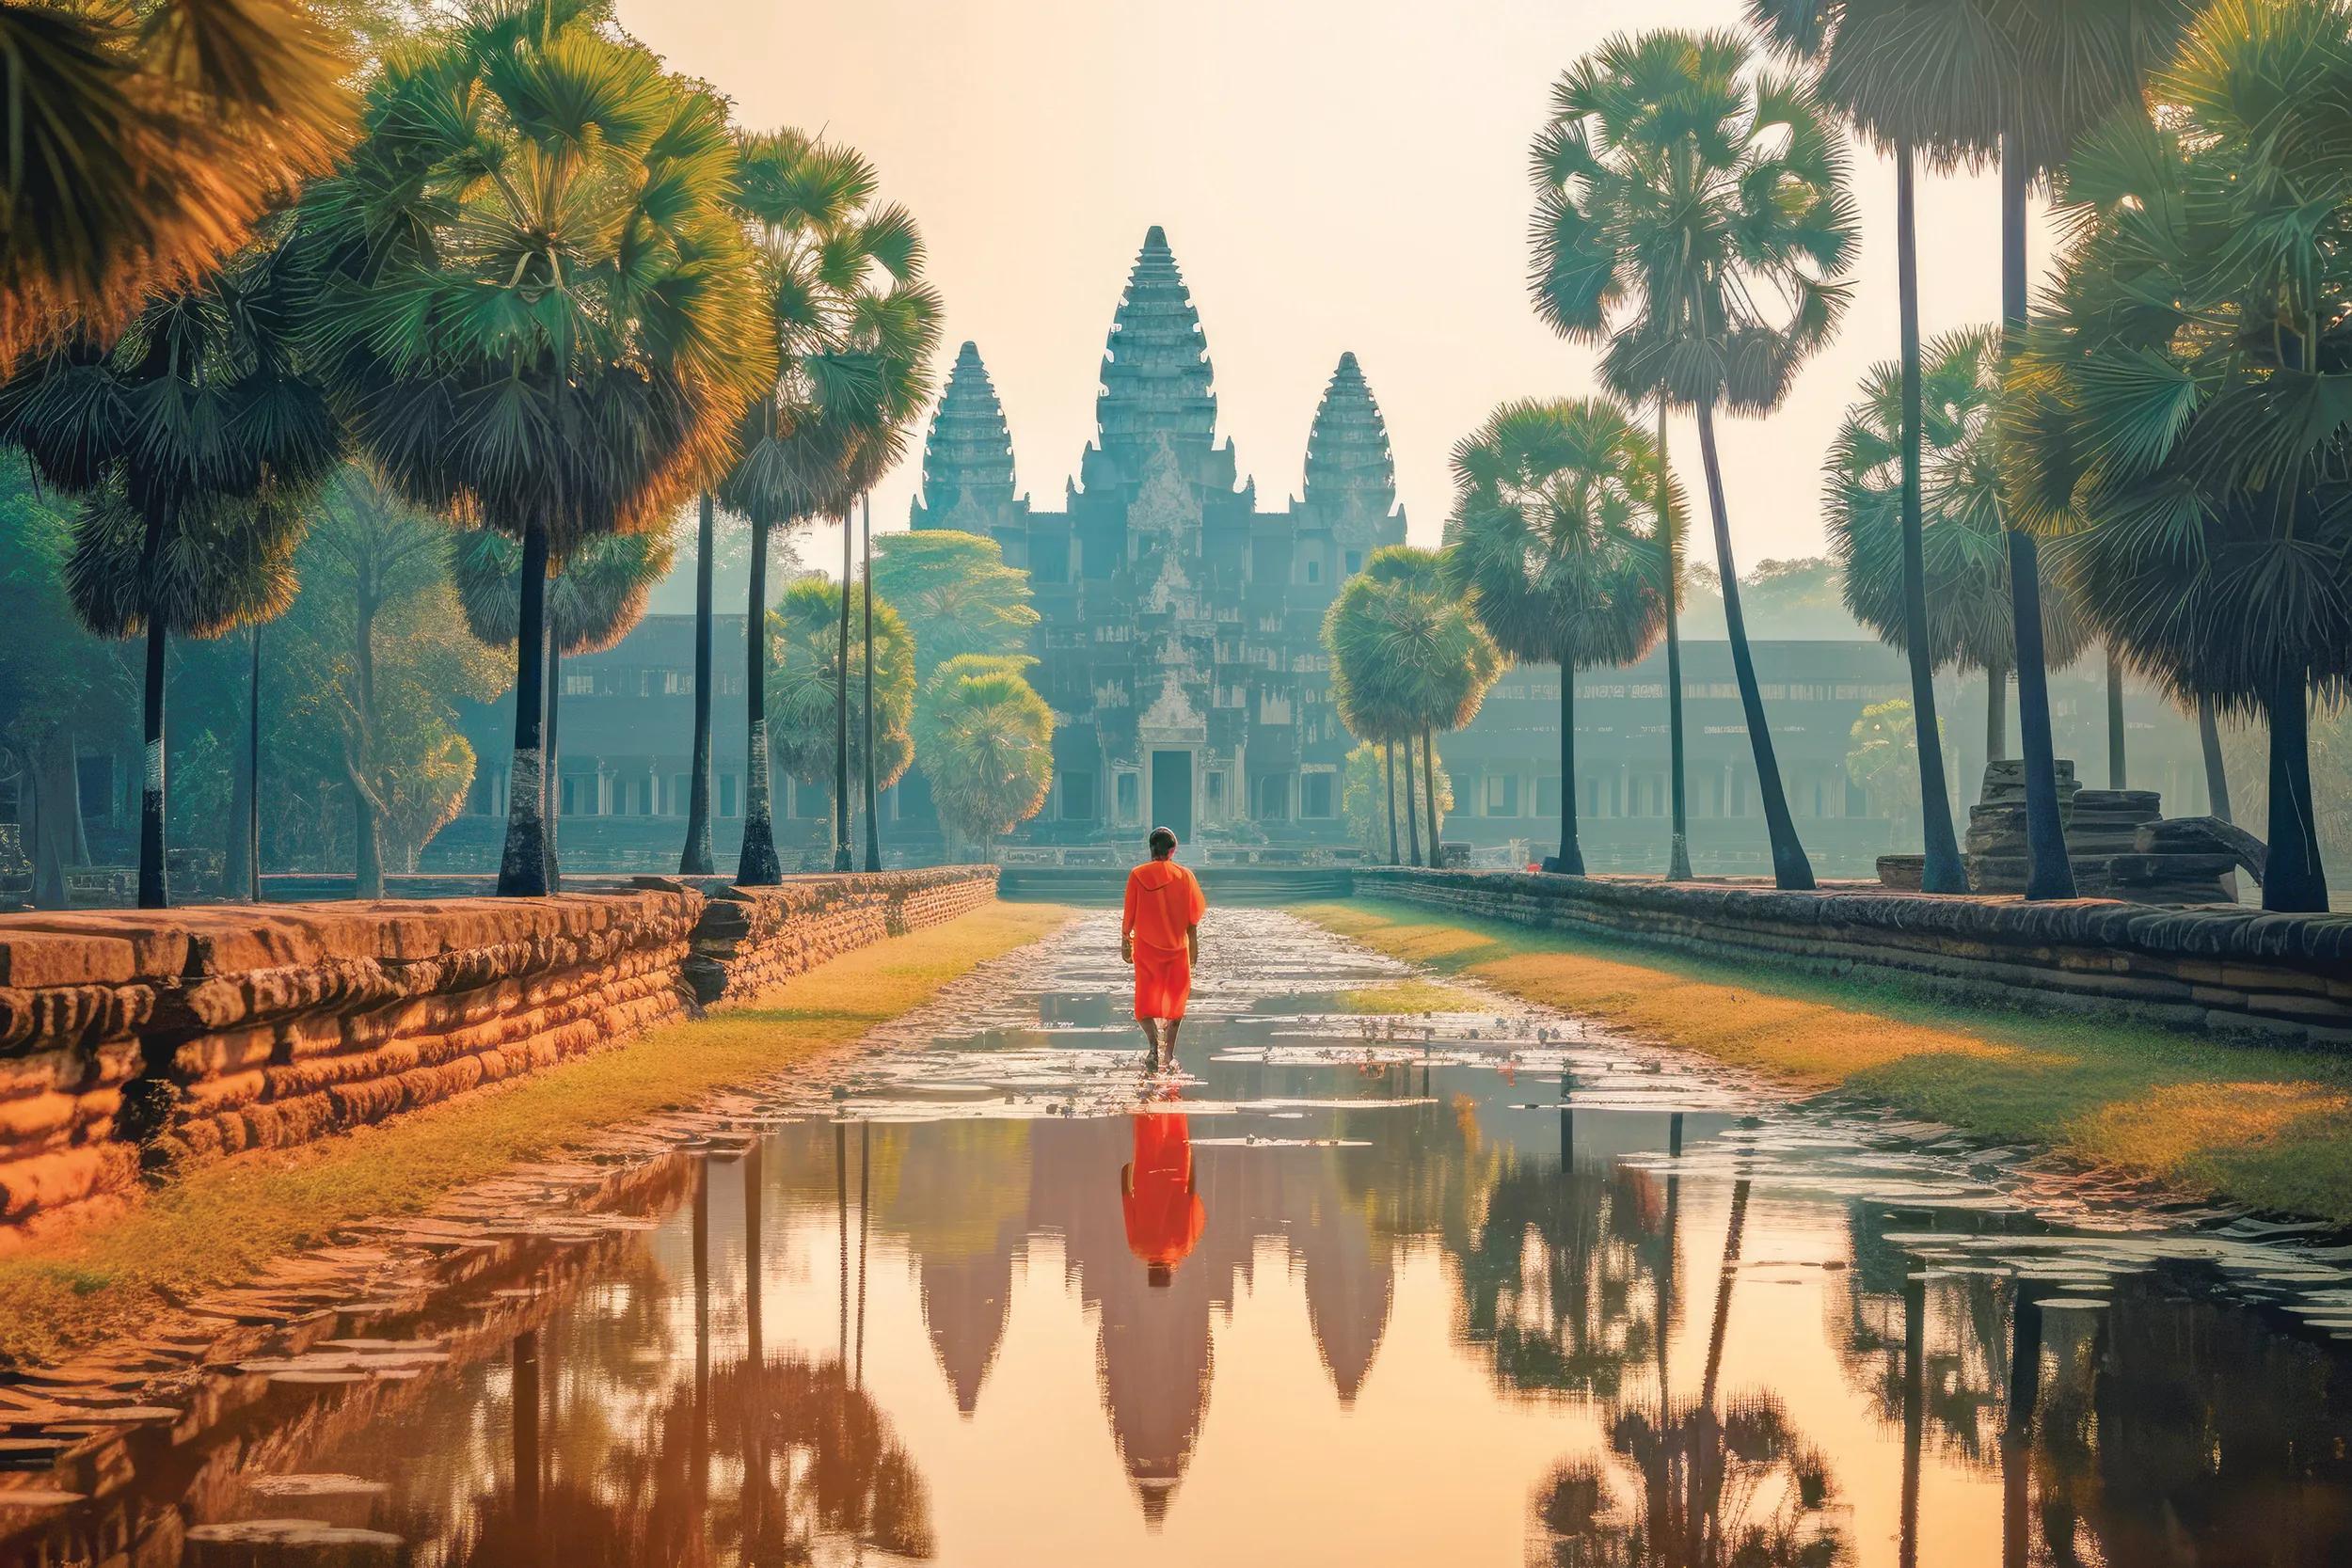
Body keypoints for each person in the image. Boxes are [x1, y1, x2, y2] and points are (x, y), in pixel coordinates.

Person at [1121, 826, 1206, 1069]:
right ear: (1173, 851)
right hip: (1177, 948)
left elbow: (1130, 912)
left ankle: (1152, 1047)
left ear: (1150, 849)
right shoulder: (1185, 875)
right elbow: (1193, 917)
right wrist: (1194, 948)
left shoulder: (1138, 874)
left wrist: (1125, 940)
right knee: (1176, 1002)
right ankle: (1168, 1054)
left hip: (1147, 948)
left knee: (1145, 1001)